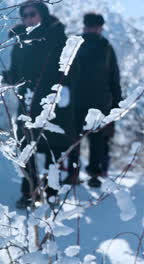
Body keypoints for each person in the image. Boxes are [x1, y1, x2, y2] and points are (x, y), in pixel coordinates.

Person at [3, 1, 78, 209]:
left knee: (52, 147)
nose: (28, 18)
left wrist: (66, 90)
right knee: (28, 148)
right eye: (24, 15)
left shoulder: (57, 38)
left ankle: (52, 193)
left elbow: (72, 68)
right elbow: (16, 74)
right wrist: (5, 77)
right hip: (27, 102)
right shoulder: (20, 42)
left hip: (52, 101)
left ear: (42, 14)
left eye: (32, 14)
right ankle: (30, 192)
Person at [73, 13, 122, 188]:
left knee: (91, 141)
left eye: (94, 26)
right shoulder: (81, 45)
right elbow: (114, 78)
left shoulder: (103, 47)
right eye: (90, 25)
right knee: (90, 140)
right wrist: (116, 104)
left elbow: (114, 78)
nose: (92, 29)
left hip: (90, 103)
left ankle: (85, 174)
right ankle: (80, 174)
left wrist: (116, 105)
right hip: (88, 102)